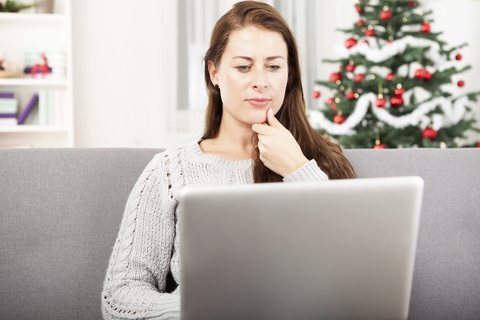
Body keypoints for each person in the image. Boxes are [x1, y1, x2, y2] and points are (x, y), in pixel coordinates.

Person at [102, 1, 356, 319]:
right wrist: (207, 309)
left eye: (274, 66)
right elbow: (119, 298)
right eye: (244, 66)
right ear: (215, 72)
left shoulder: (322, 162)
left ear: (289, 74)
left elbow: (353, 276)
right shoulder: (171, 171)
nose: (261, 81)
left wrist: (298, 169)